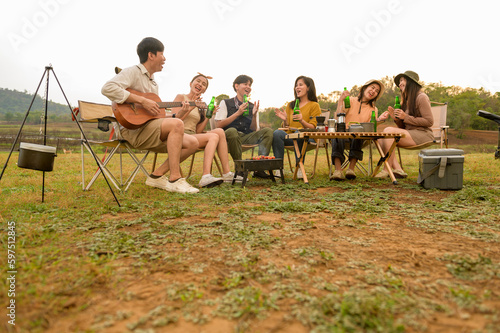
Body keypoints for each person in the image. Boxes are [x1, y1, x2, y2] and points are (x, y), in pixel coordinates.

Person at [101, 37, 199, 194]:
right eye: (162, 54)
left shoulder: (154, 84)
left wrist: (178, 115)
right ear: (151, 55)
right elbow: (107, 88)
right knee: (178, 126)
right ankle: (175, 179)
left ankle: (156, 175)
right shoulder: (133, 71)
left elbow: (156, 117)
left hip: (148, 129)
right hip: (131, 131)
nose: (165, 59)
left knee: (193, 142)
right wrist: (142, 100)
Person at [170, 73, 243, 187]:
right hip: (178, 134)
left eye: (204, 84)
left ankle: (226, 173)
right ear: (191, 84)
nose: (200, 84)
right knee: (213, 136)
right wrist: (191, 108)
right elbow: (175, 121)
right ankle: (206, 176)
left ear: (204, 90)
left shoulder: (201, 105)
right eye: (198, 81)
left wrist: (209, 115)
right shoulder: (181, 97)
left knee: (219, 131)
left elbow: (198, 131)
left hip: (193, 135)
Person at [376, 70, 434, 178]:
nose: (400, 83)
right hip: (410, 133)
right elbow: (403, 127)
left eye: (403, 80)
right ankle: (398, 169)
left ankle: (386, 169)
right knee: (380, 138)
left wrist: (405, 117)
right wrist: (397, 119)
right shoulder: (405, 101)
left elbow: (429, 121)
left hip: (423, 134)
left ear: (411, 83)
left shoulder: (421, 97)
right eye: (399, 81)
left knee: (388, 131)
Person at [215, 74, 273, 179]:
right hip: (228, 138)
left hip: (246, 137)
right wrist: (237, 113)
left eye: (249, 85)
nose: (248, 87)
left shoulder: (252, 106)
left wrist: (254, 115)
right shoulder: (226, 102)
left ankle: (259, 169)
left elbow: (254, 129)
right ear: (236, 86)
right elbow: (218, 125)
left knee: (268, 131)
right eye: (245, 84)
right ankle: (240, 168)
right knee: (232, 131)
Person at [330, 79, 385, 181]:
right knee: (337, 133)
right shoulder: (350, 100)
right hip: (344, 134)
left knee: (360, 132)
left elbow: (370, 128)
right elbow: (338, 118)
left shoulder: (374, 109)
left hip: (359, 137)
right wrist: (340, 100)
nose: (374, 91)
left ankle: (351, 169)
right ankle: (338, 170)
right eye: (372, 88)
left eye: (377, 91)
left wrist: (379, 121)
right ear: (365, 88)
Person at [273, 76, 321, 178]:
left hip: (308, 138)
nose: (297, 87)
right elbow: (287, 127)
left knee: (298, 133)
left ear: (308, 88)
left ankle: (299, 168)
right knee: (277, 133)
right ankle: (278, 169)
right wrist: (285, 120)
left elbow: (313, 126)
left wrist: (301, 120)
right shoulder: (291, 105)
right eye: (296, 85)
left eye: (300, 85)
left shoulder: (314, 105)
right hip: (291, 137)